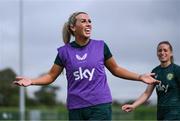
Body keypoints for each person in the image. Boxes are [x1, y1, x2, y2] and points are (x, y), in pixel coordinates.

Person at [14, 11, 159, 120]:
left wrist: (140, 76)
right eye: (83, 21)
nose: (88, 23)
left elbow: (116, 69)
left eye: (89, 21)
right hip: (76, 108)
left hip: (99, 106)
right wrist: (32, 81)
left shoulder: (101, 46)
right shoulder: (64, 52)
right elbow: (51, 76)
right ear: (73, 27)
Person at [122, 41, 180, 120]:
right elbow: (147, 93)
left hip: (175, 113)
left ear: (171, 53)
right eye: (160, 50)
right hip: (161, 113)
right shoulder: (155, 71)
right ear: (157, 53)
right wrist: (133, 105)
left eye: (165, 50)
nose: (162, 52)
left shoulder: (176, 70)